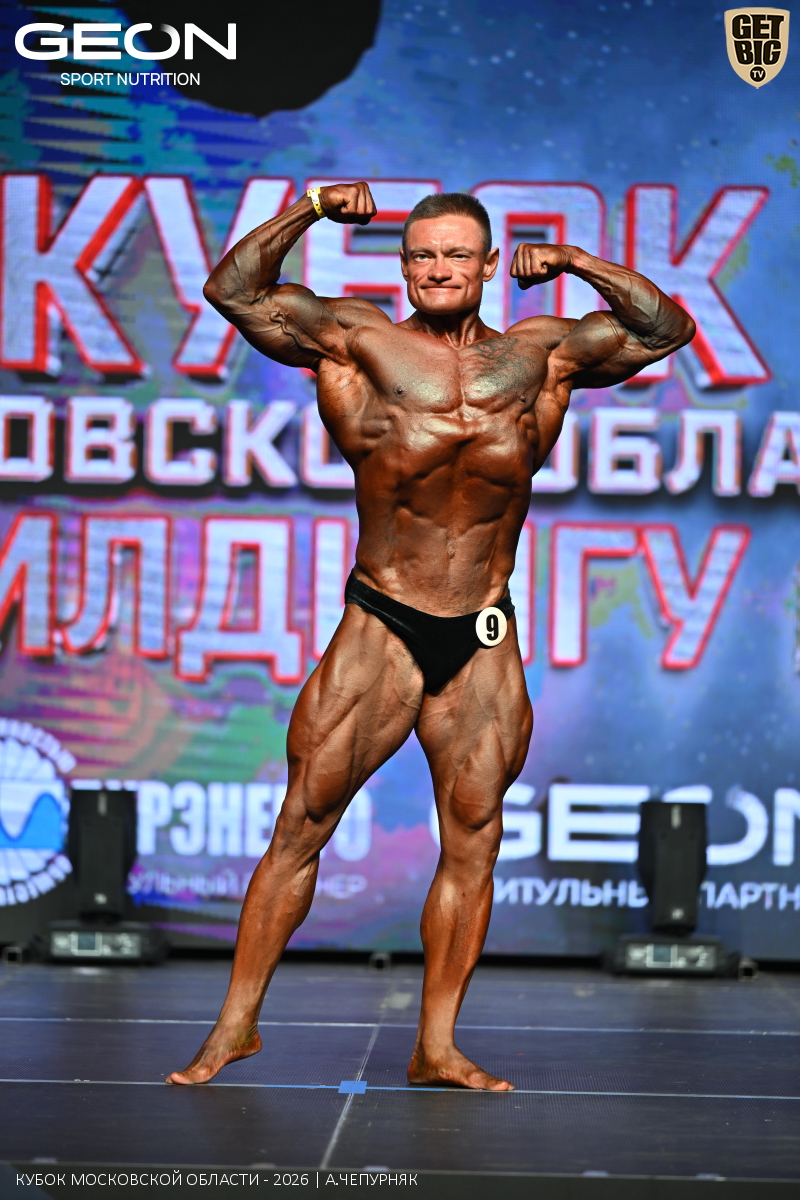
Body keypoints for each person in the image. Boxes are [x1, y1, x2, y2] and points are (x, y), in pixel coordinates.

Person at [168, 183, 694, 1090]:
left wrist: (577, 263)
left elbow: (665, 329)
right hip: (384, 619)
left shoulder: (541, 355)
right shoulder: (357, 340)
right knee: (302, 825)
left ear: (488, 265)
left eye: (456, 254)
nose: (438, 268)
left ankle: (436, 1046)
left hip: (483, 632)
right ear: (403, 265)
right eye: (422, 255)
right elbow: (235, 292)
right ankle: (234, 1027)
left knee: (474, 839)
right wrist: (309, 210)